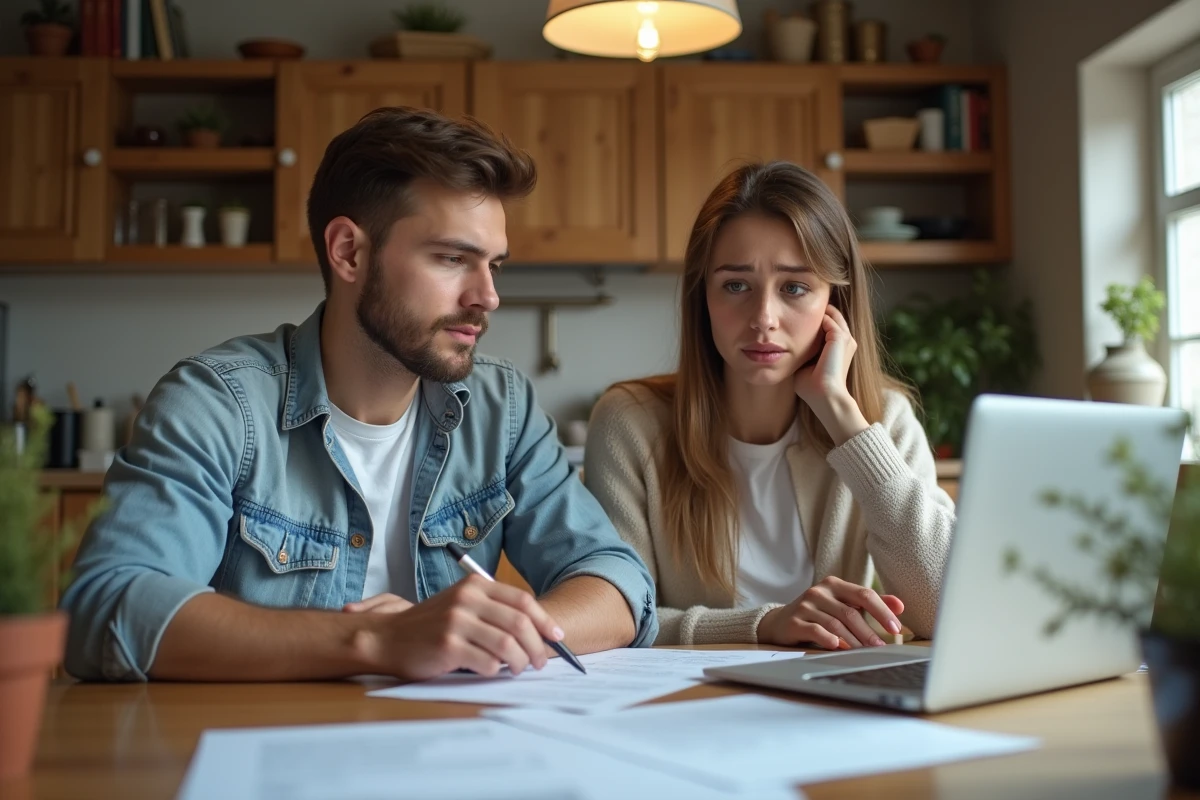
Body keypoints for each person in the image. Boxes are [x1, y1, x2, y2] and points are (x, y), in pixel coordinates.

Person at [61, 107, 658, 682]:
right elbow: (107, 606)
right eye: (453, 258)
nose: (488, 296)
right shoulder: (218, 403)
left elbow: (616, 580)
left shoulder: (501, 407)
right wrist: (375, 642)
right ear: (349, 251)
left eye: (494, 266)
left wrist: (500, 632)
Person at [584, 161, 954, 649]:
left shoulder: (881, 419)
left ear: (834, 303)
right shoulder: (630, 422)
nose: (763, 319)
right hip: (692, 707)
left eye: (795, 288)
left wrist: (844, 417)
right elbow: (617, 618)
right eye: (736, 285)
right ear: (704, 299)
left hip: (837, 708)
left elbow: (947, 610)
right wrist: (764, 624)